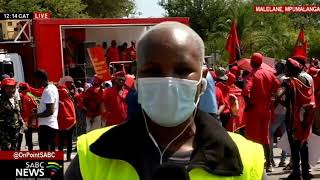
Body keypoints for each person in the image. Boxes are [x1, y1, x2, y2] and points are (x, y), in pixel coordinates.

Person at [65, 21, 265, 180]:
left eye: (182, 70)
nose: (168, 82)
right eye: (153, 71)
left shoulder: (246, 159)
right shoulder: (93, 153)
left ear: (202, 81)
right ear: (138, 80)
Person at [276, 58, 315, 180]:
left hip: (293, 118)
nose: (285, 70)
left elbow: (278, 94)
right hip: (306, 118)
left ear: (290, 69)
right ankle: (306, 172)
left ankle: (296, 173)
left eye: (286, 68)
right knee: (304, 145)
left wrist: (279, 99)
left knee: (294, 146)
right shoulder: (306, 80)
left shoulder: (288, 82)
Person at [242, 52, 280, 172]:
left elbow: (245, 92)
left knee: (253, 138)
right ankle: (269, 164)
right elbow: (277, 87)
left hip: (254, 110)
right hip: (266, 109)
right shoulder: (269, 74)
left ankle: (255, 164)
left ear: (252, 62)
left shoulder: (251, 75)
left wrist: (249, 105)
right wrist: (272, 100)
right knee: (266, 137)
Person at [32, 70, 59, 151]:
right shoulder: (52, 87)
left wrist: (35, 115)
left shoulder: (48, 91)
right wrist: (38, 110)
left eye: (36, 80)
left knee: (46, 152)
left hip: (47, 127)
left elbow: (50, 111)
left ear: (41, 79)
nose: (36, 83)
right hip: (49, 126)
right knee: (50, 153)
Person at [270, 62, 287, 167]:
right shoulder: (290, 79)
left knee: (270, 134)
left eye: (277, 67)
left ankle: (271, 160)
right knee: (286, 136)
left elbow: (276, 96)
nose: (275, 68)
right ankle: (283, 159)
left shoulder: (277, 79)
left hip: (277, 111)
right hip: (287, 111)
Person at [0, 78, 23, 150]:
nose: (11, 90)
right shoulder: (1, 101)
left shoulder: (15, 99)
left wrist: (22, 123)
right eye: (8, 88)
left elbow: (18, 113)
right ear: (4, 89)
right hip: (4, 133)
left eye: (13, 88)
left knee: (14, 150)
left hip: (15, 131)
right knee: (6, 151)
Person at [57, 81, 76, 161]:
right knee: (69, 140)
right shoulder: (69, 96)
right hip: (71, 121)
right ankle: (68, 157)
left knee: (61, 140)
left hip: (61, 121)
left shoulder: (58, 96)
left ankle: (60, 157)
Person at [18, 82, 38, 151]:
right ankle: (30, 153)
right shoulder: (31, 96)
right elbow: (35, 108)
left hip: (21, 121)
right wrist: (33, 122)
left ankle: (17, 153)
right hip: (28, 121)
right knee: (29, 138)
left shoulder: (19, 96)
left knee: (19, 138)